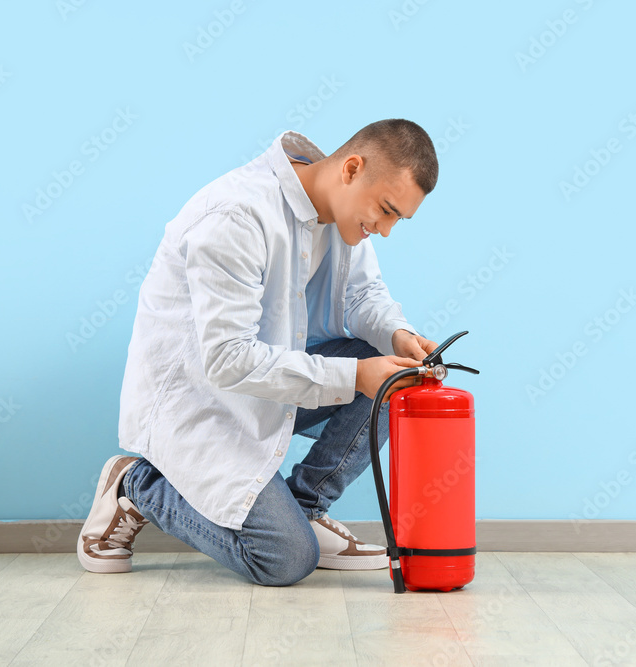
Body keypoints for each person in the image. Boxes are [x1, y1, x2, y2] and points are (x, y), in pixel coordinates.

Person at [77, 119, 440, 586]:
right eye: (387, 210)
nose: (387, 230)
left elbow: (361, 294)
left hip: (262, 383)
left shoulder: (339, 215)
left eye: (398, 220)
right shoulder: (237, 215)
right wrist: (354, 376)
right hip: (200, 401)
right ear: (351, 169)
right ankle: (136, 484)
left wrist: (398, 336)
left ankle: (305, 508)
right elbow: (228, 359)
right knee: (285, 560)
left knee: (391, 376)